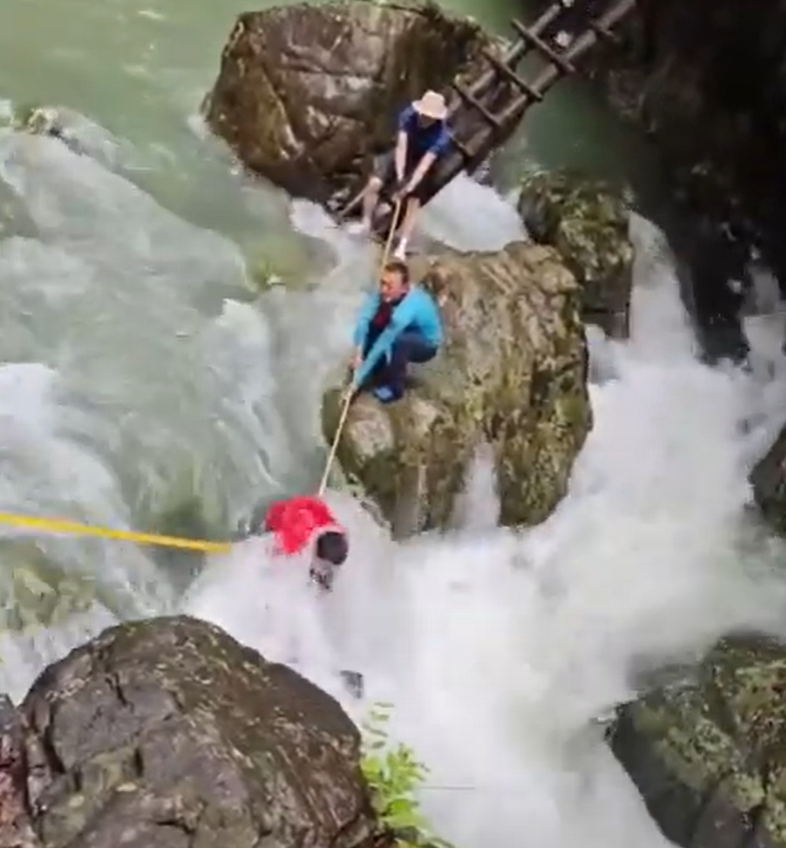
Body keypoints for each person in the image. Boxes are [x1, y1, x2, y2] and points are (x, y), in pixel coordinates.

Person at [348, 90, 452, 259]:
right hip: (405, 151)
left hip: (422, 160)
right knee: (375, 183)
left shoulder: (441, 137)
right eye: (424, 115)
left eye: (430, 117)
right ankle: (365, 223)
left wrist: (409, 186)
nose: (426, 119)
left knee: (412, 201)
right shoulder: (408, 115)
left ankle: (402, 245)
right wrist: (400, 175)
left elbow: (424, 165)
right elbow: (401, 147)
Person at [349, 260, 442, 403]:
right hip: (407, 328)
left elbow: (383, 344)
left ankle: (395, 389)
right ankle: (377, 368)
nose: (383, 289)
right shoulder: (382, 293)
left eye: (389, 286)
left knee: (400, 342)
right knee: (374, 324)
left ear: (404, 289)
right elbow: (363, 319)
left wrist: (356, 382)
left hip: (427, 343)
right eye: (382, 283)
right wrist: (358, 351)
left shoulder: (405, 311)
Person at [238, 495, 349, 592]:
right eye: (325, 566)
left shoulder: (337, 532)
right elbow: (272, 559)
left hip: (299, 508)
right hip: (273, 516)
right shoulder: (294, 538)